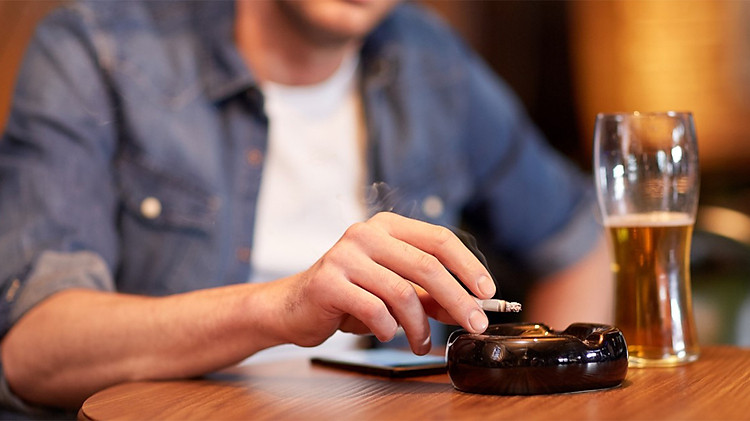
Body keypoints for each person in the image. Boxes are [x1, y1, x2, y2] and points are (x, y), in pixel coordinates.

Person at [0, 0, 612, 416]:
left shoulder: (430, 62)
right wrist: (284, 307)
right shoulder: (98, 46)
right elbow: (32, 351)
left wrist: (536, 397)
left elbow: (578, 242)